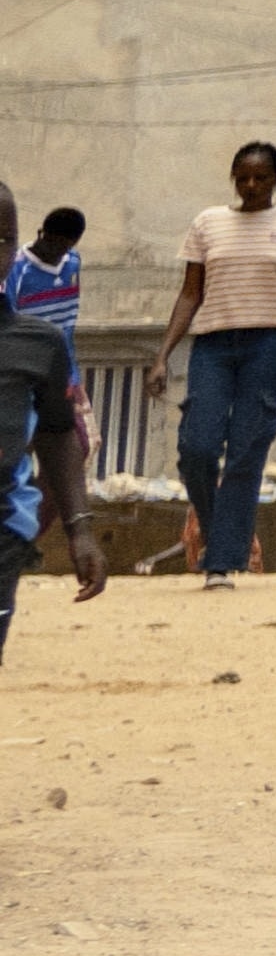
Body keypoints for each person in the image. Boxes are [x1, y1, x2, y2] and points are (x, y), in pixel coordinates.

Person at [171, 141, 276, 578]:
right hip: (213, 346)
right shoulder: (208, 223)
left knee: (246, 451)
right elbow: (189, 293)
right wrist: (163, 355)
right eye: (243, 177)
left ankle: (221, 560)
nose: (251, 185)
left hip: (268, 344)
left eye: (261, 177)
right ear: (233, 178)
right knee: (196, 447)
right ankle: (221, 533)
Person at [0, 208, 92, 649]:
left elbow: (57, 434)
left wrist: (80, 529)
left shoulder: (35, 343)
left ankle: (27, 544)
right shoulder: (22, 276)